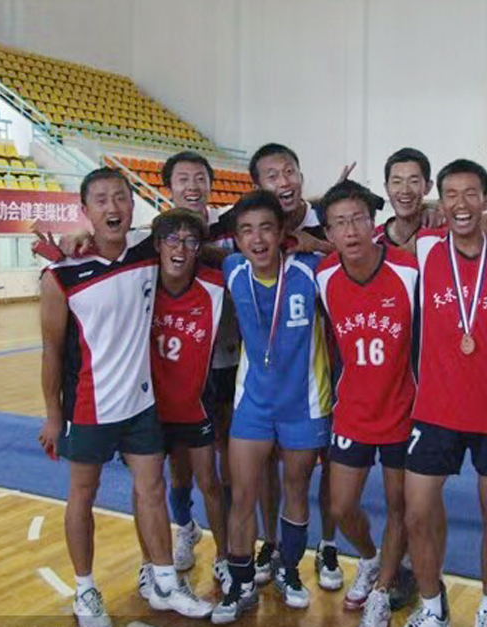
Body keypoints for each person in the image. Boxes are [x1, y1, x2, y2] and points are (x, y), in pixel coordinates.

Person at [37, 168, 213, 626]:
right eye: (101, 200)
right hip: (87, 407)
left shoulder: (148, 252)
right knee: (82, 496)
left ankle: (164, 582)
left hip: (141, 404)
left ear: (133, 206)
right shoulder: (60, 276)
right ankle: (85, 590)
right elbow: (51, 352)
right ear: (85, 209)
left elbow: (192, 229)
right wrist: (53, 415)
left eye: (120, 197)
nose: (112, 207)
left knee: (152, 489)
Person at [404, 159, 487, 627]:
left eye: (471, 193)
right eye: (451, 194)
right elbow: (364, 238)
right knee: (417, 513)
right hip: (435, 409)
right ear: (439, 201)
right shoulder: (424, 245)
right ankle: (432, 606)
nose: (461, 204)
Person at [212, 190, 333, 623]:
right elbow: (176, 243)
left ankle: (289, 570)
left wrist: (317, 242)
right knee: (242, 494)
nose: (257, 239)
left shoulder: (311, 270)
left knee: (296, 490)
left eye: (266, 228)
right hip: (253, 404)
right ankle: (241, 582)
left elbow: (357, 255)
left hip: (305, 403)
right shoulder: (231, 269)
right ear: (236, 239)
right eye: (246, 231)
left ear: (283, 233)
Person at [315, 180, 418, 627]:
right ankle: (371, 558)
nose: (351, 230)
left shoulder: (408, 270)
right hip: (352, 411)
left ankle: (382, 589)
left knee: (400, 506)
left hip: (403, 409)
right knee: (340, 507)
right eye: (339, 223)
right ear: (329, 234)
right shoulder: (323, 276)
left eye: (358, 219)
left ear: (373, 223)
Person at [247, 143, 342, 590]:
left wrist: (317, 244)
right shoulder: (251, 223)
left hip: (328, 362)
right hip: (269, 371)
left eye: (289, 171)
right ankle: (270, 542)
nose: (283, 181)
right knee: (268, 464)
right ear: (258, 186)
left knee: (326, 462)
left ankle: (328, 544)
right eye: (272, 175)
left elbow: (359, 256)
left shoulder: (327, 219)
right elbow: (189, 238)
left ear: (301, 177)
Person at [135, 208, 230, 601]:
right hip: (148, 409)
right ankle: (150, 563)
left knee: (209, 482)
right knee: (150, 487)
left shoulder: (214, 284)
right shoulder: (139, 281)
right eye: (172, 239)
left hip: (194, 405)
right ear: (158, 245)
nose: (181, 248)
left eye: (190, 241)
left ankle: (224, 557)